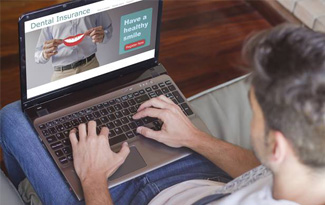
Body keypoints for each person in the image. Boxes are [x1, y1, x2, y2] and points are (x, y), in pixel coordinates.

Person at [1, 24, 325, 205]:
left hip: (119, 197)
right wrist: (193, 137)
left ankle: (28, 193)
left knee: (14, 117)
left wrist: (93, 179)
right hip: (203, 177)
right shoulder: (309, 178)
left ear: (278, 147)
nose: (250, 116)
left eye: (253, 110)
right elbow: (261, 172)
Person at [34, 12, 112, 82]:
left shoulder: (91, 3)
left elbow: (108, 29)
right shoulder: (49, 14)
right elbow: (37, 55)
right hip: (62, 75)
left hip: (90, 67)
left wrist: (103, 35)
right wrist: (44, 54)